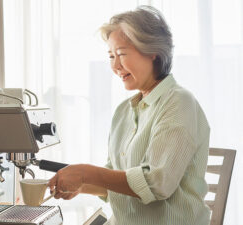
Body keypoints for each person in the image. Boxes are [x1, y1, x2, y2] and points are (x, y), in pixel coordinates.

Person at [48, 5, 210, 225]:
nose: (115, 66)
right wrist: (80, 185)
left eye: (122, 54)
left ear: (152, 51)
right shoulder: (124, 111)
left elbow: (157, 183)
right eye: (111, 56)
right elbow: (115, 180)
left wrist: (85, 173)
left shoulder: (179, 102)